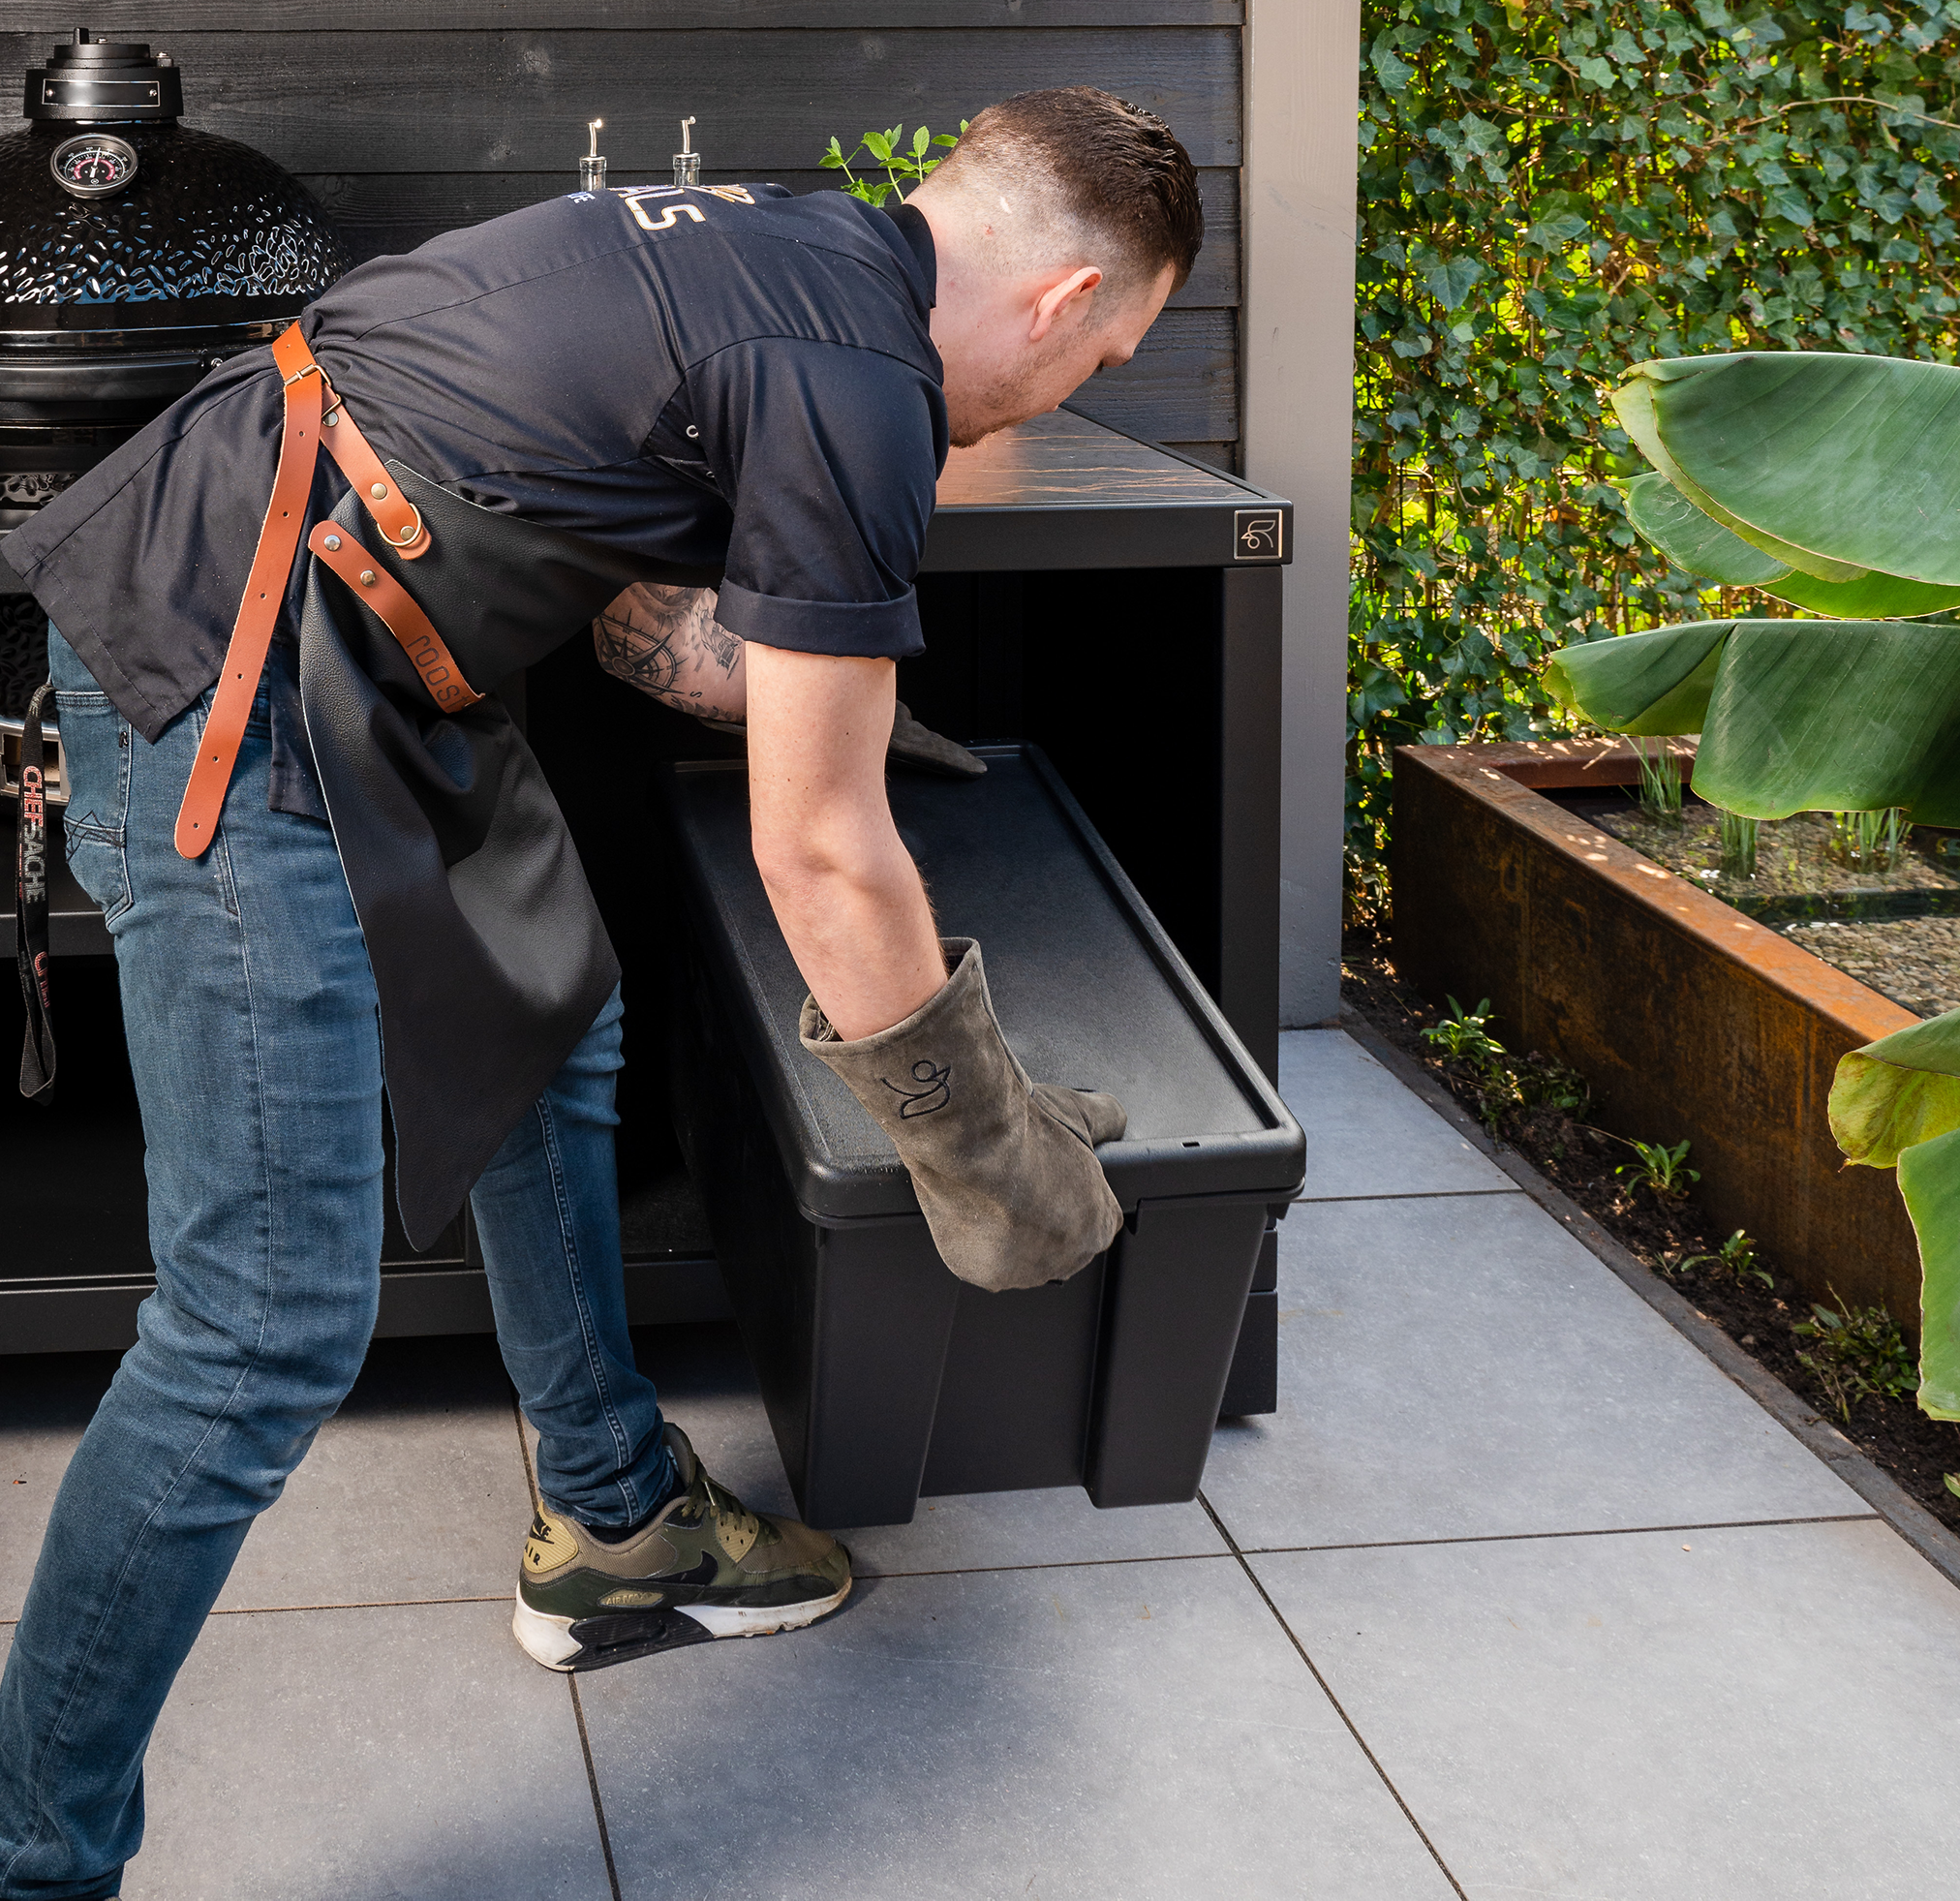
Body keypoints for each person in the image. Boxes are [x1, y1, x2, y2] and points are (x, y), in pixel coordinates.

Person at [0, 84, 1202, 1900]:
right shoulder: (860, 381)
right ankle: (36, 1855)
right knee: (258, 1326)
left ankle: (618, 1520)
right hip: (233, 679)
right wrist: (987, 1146)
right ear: (1063, 299)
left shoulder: (787, 249)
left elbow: (653, 615)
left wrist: (844, 678)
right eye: (1106, 351)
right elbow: (823, 857)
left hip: (356, 640)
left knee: (554, 1017)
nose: (1076, 387)